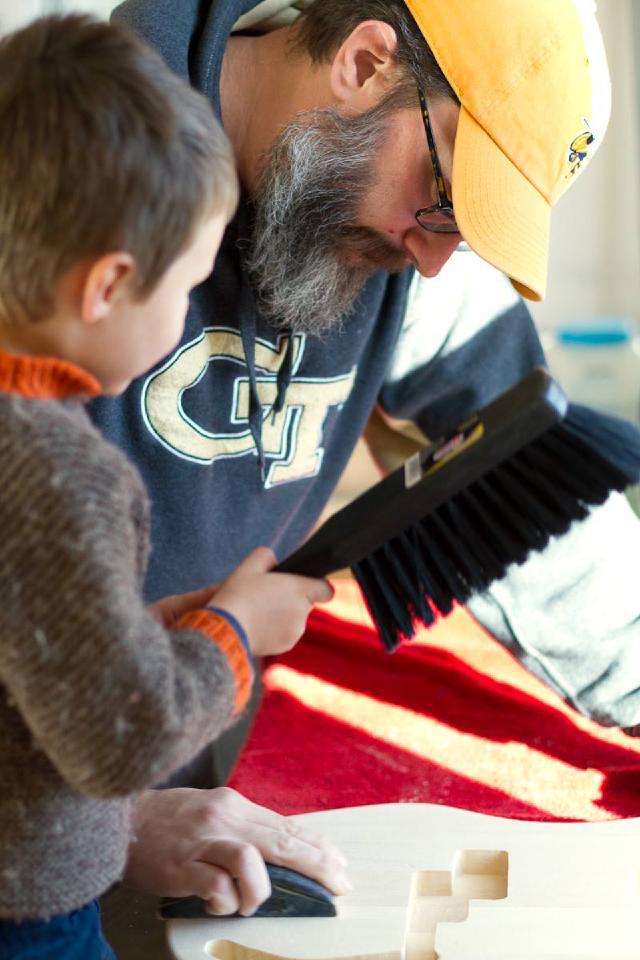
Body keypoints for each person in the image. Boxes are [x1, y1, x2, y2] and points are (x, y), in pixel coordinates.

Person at [93, 0, 640, 922]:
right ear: (365, 62)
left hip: (184, 797)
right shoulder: (51, 169)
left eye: (467, 232)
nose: (432, 262)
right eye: (444, 202)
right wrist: (110, 820)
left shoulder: (388, 221)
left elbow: (520, 476)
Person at [0, 13, 350, 960]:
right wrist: (231, 637)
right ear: (108, 287)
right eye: (187, 287)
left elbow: (30, 653)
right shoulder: (58, 471)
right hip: (32, 919)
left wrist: (162, 631)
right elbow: (117, 736)